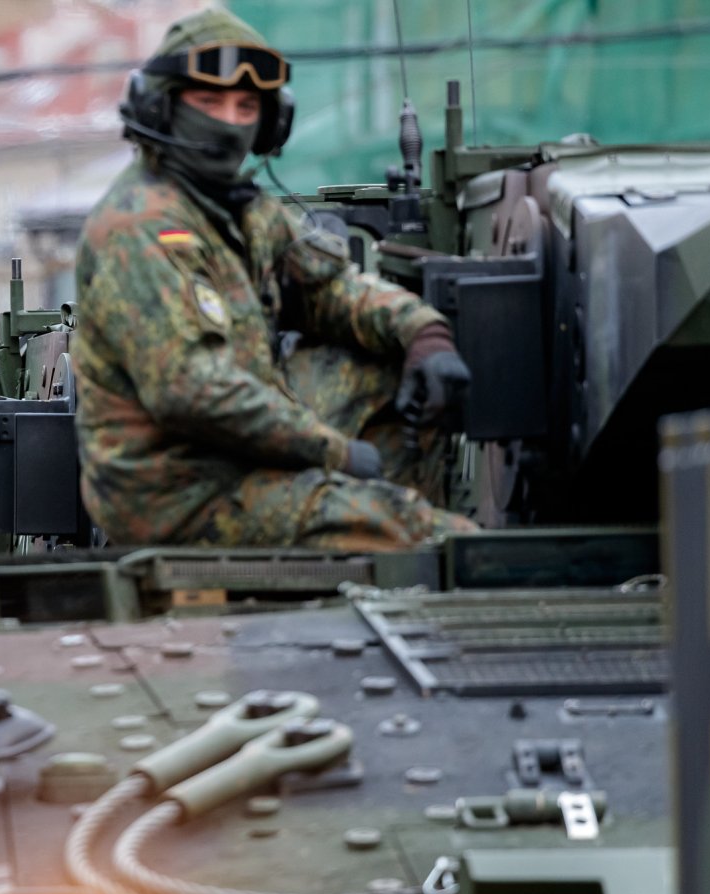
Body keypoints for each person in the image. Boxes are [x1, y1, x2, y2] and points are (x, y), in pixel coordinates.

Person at [72, 7, 478, 551]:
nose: (229, 122)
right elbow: (196, 392)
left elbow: (330, 289)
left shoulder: (238, 207)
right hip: (180, 499)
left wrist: (423, 331)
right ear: (160, 107)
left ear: (270, 121)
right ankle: (403, 537)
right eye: (209, 102)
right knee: (439, 541)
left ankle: (380, 526)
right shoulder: (141, 227)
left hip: (242, 459)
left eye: (246, 106)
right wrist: (332, 452)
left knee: (392, 366)